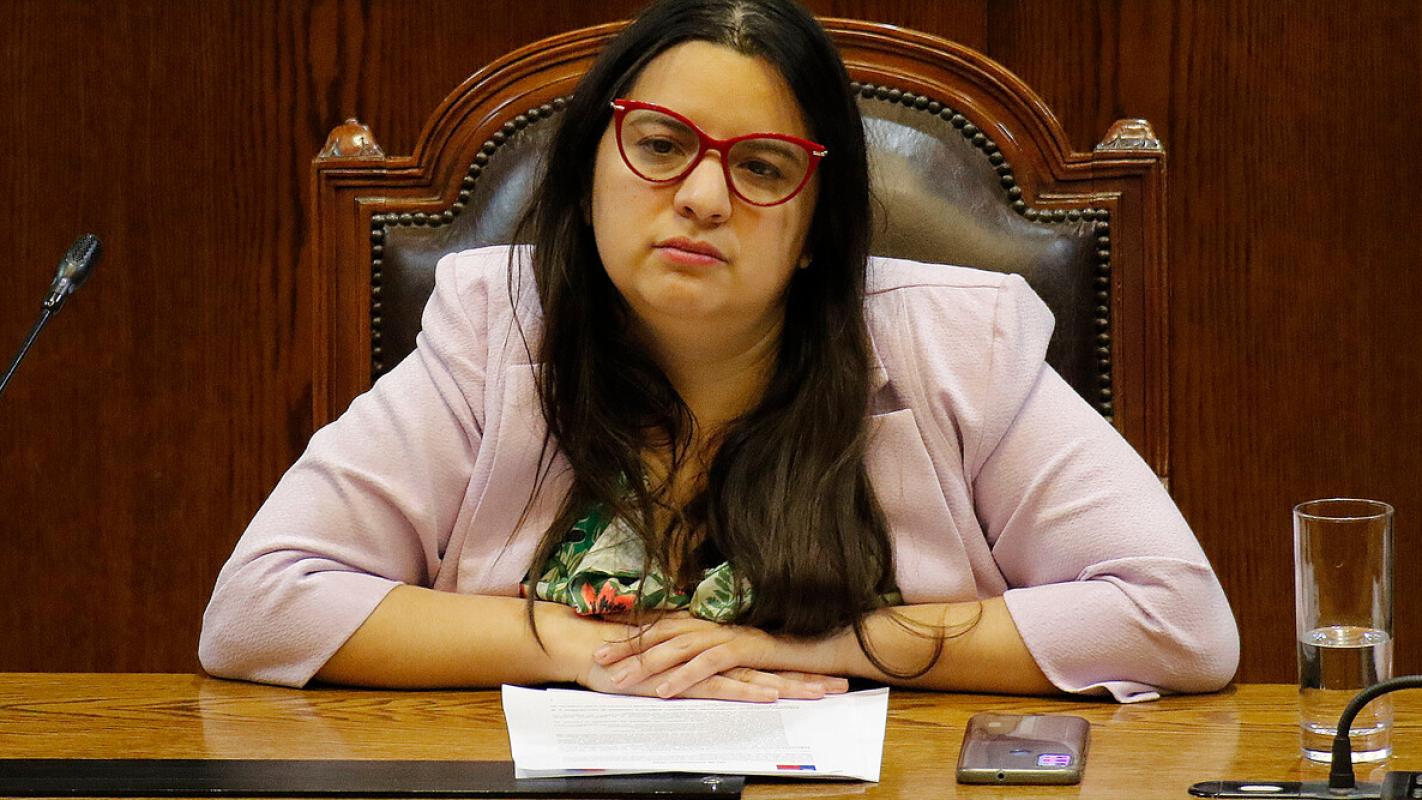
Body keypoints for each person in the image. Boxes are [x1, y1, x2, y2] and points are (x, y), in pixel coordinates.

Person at [199, 0, 1239, 704]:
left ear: (818, 227)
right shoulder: (493, 325)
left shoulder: (957, 346)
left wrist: (818, 642)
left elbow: (1176, 619)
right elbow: (257, 608)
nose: (702, 196)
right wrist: (586, 650)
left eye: (763, 166)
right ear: (590, 169)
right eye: (660, 145)